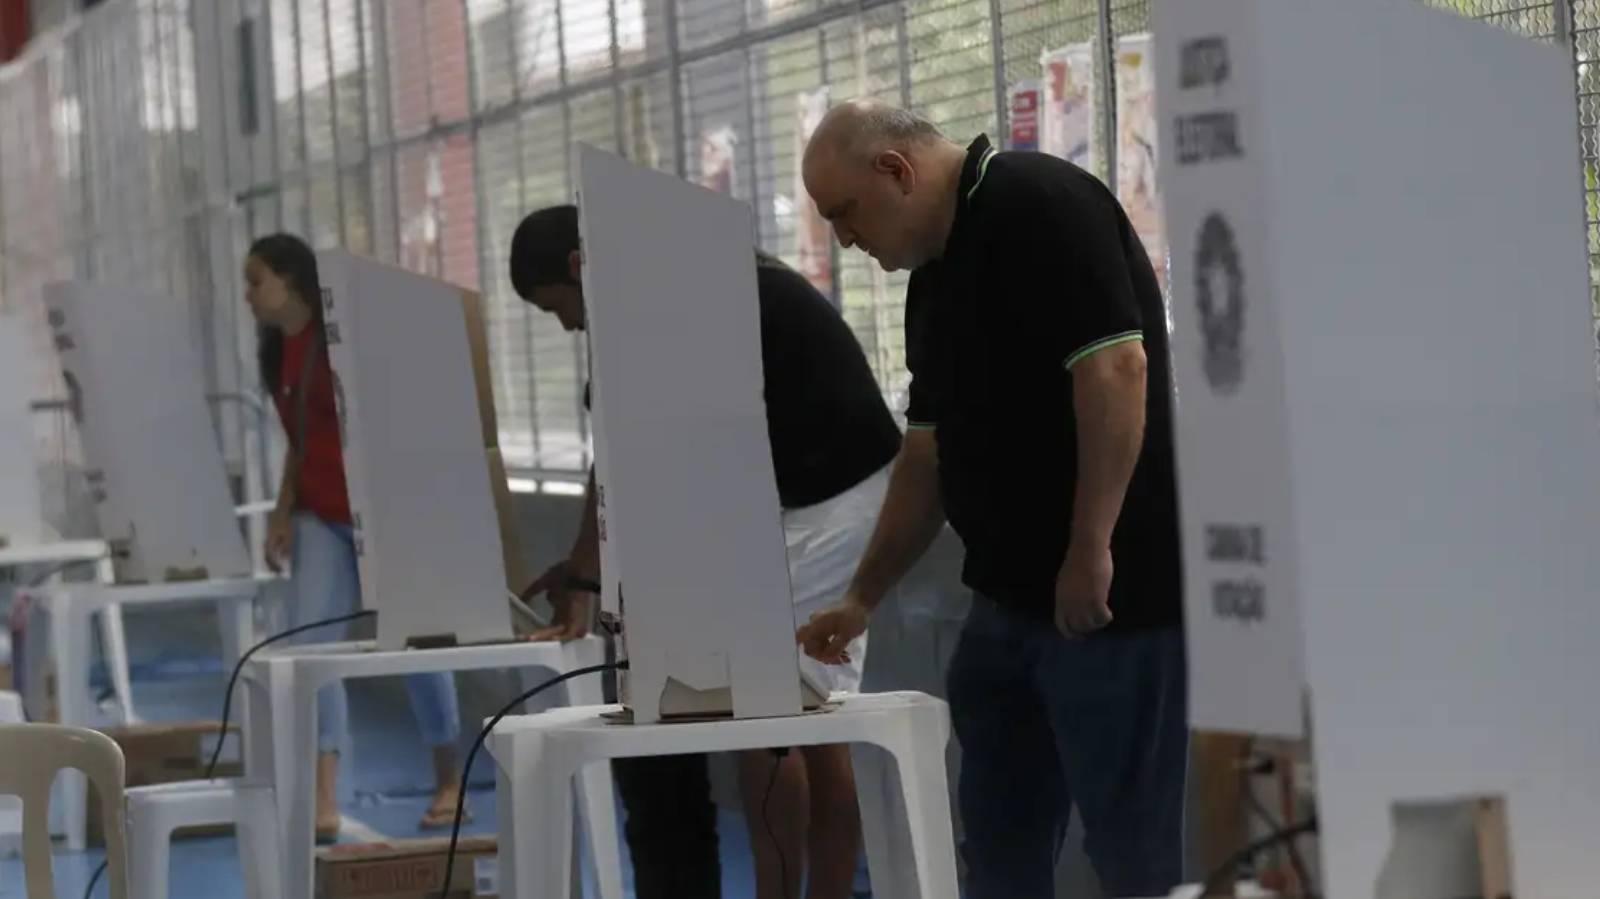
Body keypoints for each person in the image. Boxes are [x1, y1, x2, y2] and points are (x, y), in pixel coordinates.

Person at [795, 101, 1187, 898]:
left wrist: (1090, 548)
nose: (843, 239)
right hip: (1005, 606)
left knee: (1129, 848)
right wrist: (862, 595)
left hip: (1108, 601)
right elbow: (927, 452)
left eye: (845, 214)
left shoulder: (1037, 204)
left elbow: (1117, 370)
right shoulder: (935, 278)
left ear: (896, 172)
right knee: (999, 846)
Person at [509, 204, 900, 899]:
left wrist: (588, 574)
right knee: (797, 716)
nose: (567, 325)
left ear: (578, 267)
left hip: (832, 497)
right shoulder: (674, 282)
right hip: (799, 494)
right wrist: (583, 571)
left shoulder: (665, 299)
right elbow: (622, 453)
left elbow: (630, 459)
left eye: (557, 308)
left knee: (774, 711)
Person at [244, 234, 468, 842]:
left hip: (380, 513)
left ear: (292, 281)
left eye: (255, 280)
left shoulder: (341, 338)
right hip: (320, 515)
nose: (247, 295)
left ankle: (449, 777)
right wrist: (282, 512)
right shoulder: (276, 353)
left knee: (417, 645)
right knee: (313, 652)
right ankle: (323, 796)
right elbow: (299, 443)